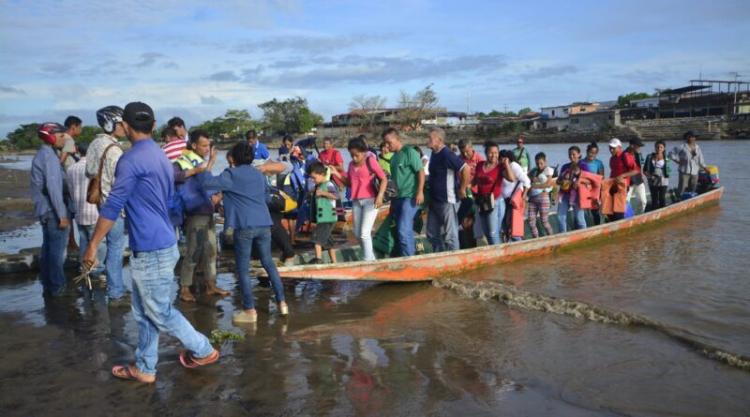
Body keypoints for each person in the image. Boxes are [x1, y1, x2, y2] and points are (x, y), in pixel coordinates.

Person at [83, 102, 219, 383]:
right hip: (164, 239)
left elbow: (113, 205)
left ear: (126, 126)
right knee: (143, 311)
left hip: (151, 246)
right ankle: (145, 367)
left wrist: (93, 244)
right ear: (155, 126)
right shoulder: (160, 156)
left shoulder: (131, 159)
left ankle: (203, 349)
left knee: (159, 311)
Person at [198, 141, 289, 323]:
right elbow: (265, 197)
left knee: (243, 269)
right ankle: (282, 303)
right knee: (269, 263)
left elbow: (207, 183)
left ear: (234, 158)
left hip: (245, 225)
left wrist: (210, 163)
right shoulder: (258, 173)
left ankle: (249, 310)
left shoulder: (230, 174)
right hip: (264, 223)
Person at [174, 130, 230, 302]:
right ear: (193, 145)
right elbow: (173, 176)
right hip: (194, 212)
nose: (207, 149)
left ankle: (210, 284)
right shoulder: (182, 162)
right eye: (204, 145)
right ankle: (185, 288)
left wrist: (218, 202)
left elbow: (207, 181)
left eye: (209, 146)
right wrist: (196, 170)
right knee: (193, 251)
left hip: (207, 210)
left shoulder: (200, 163)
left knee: (211, 250)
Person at [86, 106, 128, 306]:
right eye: (121, 123)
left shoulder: (94, 143)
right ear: (111, 124)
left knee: (111, 245)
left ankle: (113, 287)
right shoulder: (115, 149)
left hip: (100, 203)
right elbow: (119, 181)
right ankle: (116, 291)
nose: (123, 127)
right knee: (116, 248)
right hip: (114, 205)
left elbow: (90, 171)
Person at [31, 122, 71, 297]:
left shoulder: (43, 154)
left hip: (44, 210)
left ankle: (48, 285)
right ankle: (57, 287)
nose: (64, 140)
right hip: (53, 211)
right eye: (62, 136)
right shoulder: (49, 157)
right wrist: (62, 215)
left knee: (47, 250)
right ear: (51, 136)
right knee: (56, 252)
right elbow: (54, 188)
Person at [331, 137, 388, 261]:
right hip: (356, 200)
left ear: (363, 152)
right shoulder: (351, 165)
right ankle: (371, 257)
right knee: (357, 234)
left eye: (356, 155)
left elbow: (383, 178)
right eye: (351, 155)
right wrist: (336, 174)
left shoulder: (370, 161)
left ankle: (368, 259)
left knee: (364, 233)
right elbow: (349, 183)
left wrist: (380, 195)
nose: (354, 158)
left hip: (371, 200)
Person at [426, 127, 470, 252]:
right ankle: (440, 254)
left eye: (430, 138)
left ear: (439, 140)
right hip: (434, 201)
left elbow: (465, 169)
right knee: (432, 233)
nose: (428, 140)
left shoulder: (447, 154)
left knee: (450, 235)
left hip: (447, 200)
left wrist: (462, 188)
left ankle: (455, 257)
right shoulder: (434, 153)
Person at [383, 128, 425, 257]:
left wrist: (420, 192)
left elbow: (420, 171)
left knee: (403, 229)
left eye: (389, 142)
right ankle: (404, 255)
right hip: (397, 198)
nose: (387, 146)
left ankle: (409, 258)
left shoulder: (409, 152)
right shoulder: (394, 158)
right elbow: (395, 180)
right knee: (398, 229)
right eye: (385, 143)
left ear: (397, 139)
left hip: (410, 197)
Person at [66, 142, 105, 280]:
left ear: (78, 152)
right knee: (98, 243)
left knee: (84, 240)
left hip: (79, 211)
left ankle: (84, 270)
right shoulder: (93, 169)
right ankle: (96, 272)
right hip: (93, 212)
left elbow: (70, 191)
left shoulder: (71, 169)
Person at [472, 142, 507, 244]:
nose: (494, 155)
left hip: (495, 202)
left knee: (493, 233)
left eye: (496, 153)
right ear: (486, 153)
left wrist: (507, 165)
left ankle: (498, 255)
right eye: (491, 153)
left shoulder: (500, 167)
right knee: (487, 233)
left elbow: (511, 178)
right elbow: (475, 181)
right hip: (482, 202)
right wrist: (465, 188)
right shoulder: (479, 165)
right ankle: (496, 252)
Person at [307, 161, 339, 264]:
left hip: (327, 217)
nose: (313, 180)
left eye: (314, 178)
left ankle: (318, 260)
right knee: (328, 241)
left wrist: (323, 193)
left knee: (316, 239)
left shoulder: (328, 184)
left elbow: (335, 196)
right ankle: (334, 262)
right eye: (312, 178)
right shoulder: (318, 186)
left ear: (322, 175)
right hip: (322, 218)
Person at [556, 146, 590, 232]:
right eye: (570, 154)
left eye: (573, 154)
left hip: (578, 195)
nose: (571, 156)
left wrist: (579, 181)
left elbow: (589, 179)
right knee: (561, 217)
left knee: (579, 219)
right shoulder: (565, 166)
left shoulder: (583, 166)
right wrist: (562, 182)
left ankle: (584, 236)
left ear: (579, 154)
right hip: (564, 194)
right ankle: (562, 236)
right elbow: (558, 180)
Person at [499, 150, 530, 241]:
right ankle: (508, 242)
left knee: (513, 225)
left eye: (504, 158)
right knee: (505, 224)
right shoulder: (501, 168)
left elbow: (527, 181)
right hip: (504, 200)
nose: (502, 160)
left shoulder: (514, 166)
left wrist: (524, 195)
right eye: (500, 159)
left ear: (509, 158)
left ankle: (518, 243)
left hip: (513, 200)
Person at [607, 138, 639, 221]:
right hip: (612, 185)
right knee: (609, 209)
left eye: (613, 148)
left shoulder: (625, 155)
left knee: (618, 211)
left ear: (619, 147)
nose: (611, 150)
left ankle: (621, 224)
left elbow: (636, 170)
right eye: (610, 147)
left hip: (622, 186)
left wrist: (622, 175)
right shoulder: (612, 158)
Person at [527, 152, 556, 238]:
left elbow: (548, 184)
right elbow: (527, 179)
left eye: (541, 163)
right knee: (531, 221)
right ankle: (536, 239)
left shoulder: (548, 170)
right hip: (532, 199)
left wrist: (535, 185)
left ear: (545, 161)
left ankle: (551, 238)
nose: (539, 165)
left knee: (544, 221)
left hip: (543, 197)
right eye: (537, 163)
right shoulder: (534, 171)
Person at [671, 131, 707, 195]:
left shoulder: (697, 147)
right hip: (684, 171)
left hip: (695, 172)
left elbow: (701, 160)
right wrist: (677, 161)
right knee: (682, 188)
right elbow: (671, 154)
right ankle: (680, 199)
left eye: (694, 137)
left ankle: (691, 200)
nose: (692, 138)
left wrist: (705, 168)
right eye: (690, 137)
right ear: (687, 137)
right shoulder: (681, 147)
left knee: (693, 188)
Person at [643, 140, 671, 210]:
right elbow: (644, 170)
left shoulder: (666, 158)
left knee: (662, 198)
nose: (659, 149)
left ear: (664, 148)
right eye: (657, 147)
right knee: (654, 198)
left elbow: (669, 171)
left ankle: (663, 213)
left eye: (661, 147)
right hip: (652, 181)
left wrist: (664, 174)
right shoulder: (649, 157)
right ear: (655, 148)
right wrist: (649, 176)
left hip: (663, 181)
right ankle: (654, 213)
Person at [584, 142, 605, 225]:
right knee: (584, 210)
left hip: (595, 190)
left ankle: (597, 226)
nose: (592, 154)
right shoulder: (581, 162)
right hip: (584, 190)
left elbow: (601, 178)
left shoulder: (599, 163)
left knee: (595, 210)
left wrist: (601, 193)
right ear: (587, 152)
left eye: (594, 153)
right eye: (590, 152)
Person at [625, 138, 646, 214]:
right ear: (632, 146)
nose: (640, 148)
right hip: (627, 182)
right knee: (625, 202)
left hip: (639, 180)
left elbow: (640, 167)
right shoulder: (624, 155)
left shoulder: (639, 154)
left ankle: (639, 216)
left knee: (643, 201)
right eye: (638, 146)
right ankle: (627, 218)